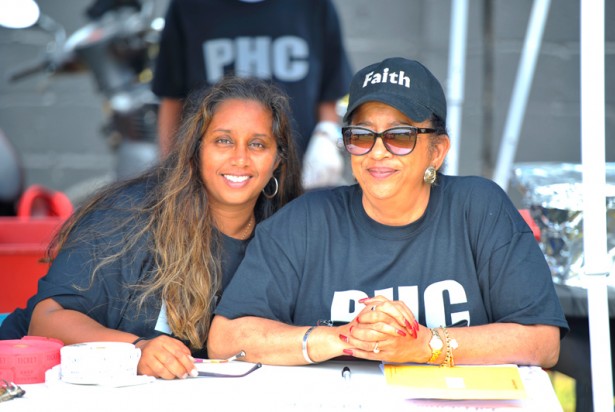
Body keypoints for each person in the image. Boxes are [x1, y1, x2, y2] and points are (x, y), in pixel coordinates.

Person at [207, 57, 569, 368]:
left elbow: (542, 341)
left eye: (399, 136)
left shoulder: (479, 208)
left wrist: (426, 345)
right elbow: (225, 339)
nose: (377, 152)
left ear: (437, 151)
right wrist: (341, 338)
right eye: (362, 136)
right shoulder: (305, 220)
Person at [0, 76, 303, 379]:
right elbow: (46, 320)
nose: (240, 158)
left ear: (278, 159)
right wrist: (136, 350)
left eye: (257, 144)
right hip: (29, 380)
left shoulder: (288, 238)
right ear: (196, 149)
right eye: (223, 140)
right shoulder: (131, 214)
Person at [151, 0, 352, 189]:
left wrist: (325, 136)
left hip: (300, 175)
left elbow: (329, 90)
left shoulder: (314, 5)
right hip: (211, 181)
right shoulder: (188, 6)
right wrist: (170, 171)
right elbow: (172, 97)